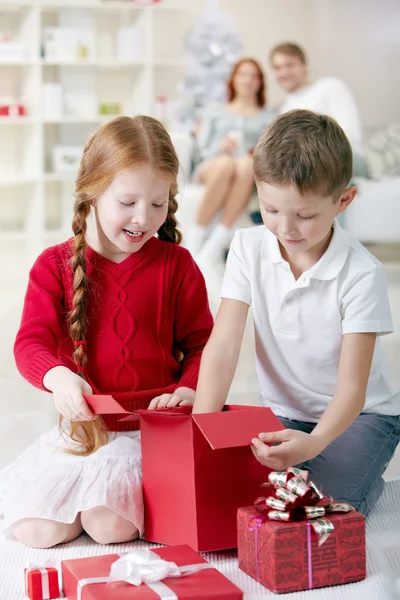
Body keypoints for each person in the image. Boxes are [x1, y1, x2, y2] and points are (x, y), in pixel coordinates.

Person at [0, 115, 213, 548]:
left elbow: (203, 345)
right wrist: (57, 377)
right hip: (84, 433)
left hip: (151, 436)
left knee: (109, 526)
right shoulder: (53, 265)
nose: (143, 218)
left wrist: (191, 388)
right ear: (92, 193)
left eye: (158, 204)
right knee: (35, 531)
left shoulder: (178, 266)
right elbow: (30, 342)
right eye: (128, 202)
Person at [192, 110, 400, 516]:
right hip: (287, 410)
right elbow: (224, 346)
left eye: (305, 216)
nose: (286, 228)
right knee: (248, 495)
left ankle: (362, 488)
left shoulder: (362, 273)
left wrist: (317, 442)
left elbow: (353, 390)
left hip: (361, 416)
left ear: (344, 200)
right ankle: (313, 464)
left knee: (321, 507)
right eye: (270, 210)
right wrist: (201, 428)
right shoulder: (247, 247)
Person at [185, 58, 274, 264]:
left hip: (246, 169)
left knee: (245, 165)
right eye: (243, 74)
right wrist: (220, 148)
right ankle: (195, 237)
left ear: (260, 82)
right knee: (226, 163)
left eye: (254, 76)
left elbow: (270, 151)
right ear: (233, 79)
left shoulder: (268, 118)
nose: (248, 80)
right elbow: (202, 148)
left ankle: (216, 242)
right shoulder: (215, 111)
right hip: (213, 166)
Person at [270, 42, 369, 178]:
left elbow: (349, 134)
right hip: (302, 166)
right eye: (277, 68)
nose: (284, 72)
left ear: (305, 65)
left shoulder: (330, 87)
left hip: (345, 159)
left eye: (290, 65)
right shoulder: (284, 108)